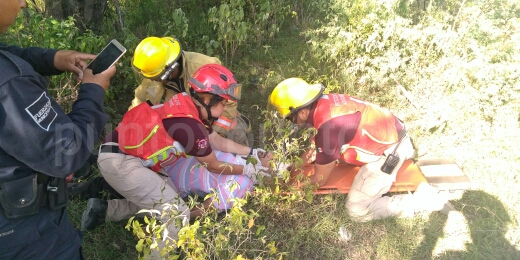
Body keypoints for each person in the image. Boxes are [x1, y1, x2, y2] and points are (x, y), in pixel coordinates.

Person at [81, 64, 270, 242]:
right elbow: (213, 165)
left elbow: (217, 140)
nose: (224, 109)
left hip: (127, 154)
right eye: (222, 103)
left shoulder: (188, 107)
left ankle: (103, 210)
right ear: (207, 98)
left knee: (165, 197)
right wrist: (248, 169)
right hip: (121, 160)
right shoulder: (190, 125)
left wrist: (253, 152)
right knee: (176, 212)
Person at [0, 1, 116, 259]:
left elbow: (6, 51)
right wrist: (93, 90)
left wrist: (53, 59)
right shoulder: (9, 84)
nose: (21, 3)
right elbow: (67, 152)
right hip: (25, 235)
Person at [267, 78, 452, 222]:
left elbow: (319, 180)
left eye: (290, 118)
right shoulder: (324, 103)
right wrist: (294, 165)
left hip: (391, 151)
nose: (291, 122)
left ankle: (425, 200)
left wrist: (290, 188)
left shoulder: (328, 128)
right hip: (392, 131)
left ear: (302, 112)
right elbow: (316, 149)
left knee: (357, 210)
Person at [131, 36, 251, 146]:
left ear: (172, 68)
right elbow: (137, 106)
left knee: (237, 152)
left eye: (158, 78)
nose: (156, 81)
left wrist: (218, 134)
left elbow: (229, 101)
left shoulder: (204, 66)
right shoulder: (154, 77)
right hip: (189, 129)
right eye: (153, 78)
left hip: (218, 120)